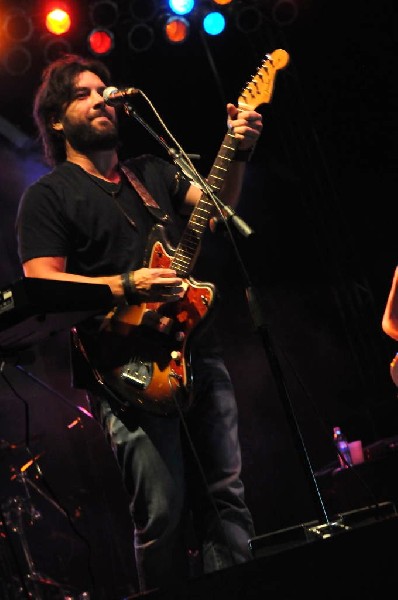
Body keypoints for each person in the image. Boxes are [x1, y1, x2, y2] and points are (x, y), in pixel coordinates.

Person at [15, 53, 263, 594]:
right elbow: (41, 285)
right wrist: (127, 286)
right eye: (83, 93)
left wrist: (238, 148)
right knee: (164, 515)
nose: (102, 98)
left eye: (105, 90)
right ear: (57, 121)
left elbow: (219, 209)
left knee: (228, 500)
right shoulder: (49, 197)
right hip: (125, 371)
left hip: (200, 351)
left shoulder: (152, 172)